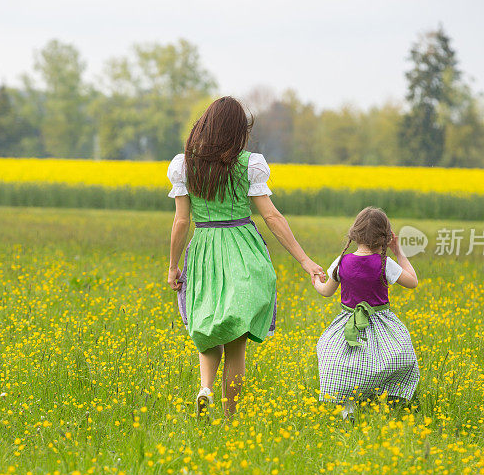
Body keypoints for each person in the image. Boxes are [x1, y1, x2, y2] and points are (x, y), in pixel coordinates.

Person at [167, 96, 325, 418]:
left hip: (205, 249)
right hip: (242, 248)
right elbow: (272, 217)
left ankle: (205, 388)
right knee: (236, 340)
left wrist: (173, 266)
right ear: (238, 131)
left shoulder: (184, 165)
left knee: (210, 327)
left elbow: (182, 221)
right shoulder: (249, 164)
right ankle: (230, 418)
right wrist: (305, 261)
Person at [311, 206, 420, 418]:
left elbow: (326, 291)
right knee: (396, 358)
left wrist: (316, 280)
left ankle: (348, 407)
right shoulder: (385, 263)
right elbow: (412, 282)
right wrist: (399, 252)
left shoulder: (341, 261)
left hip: (347, 323)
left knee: (341, 361)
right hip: (382, 324)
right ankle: (386, 400)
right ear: (386, 237)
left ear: (355, 234)